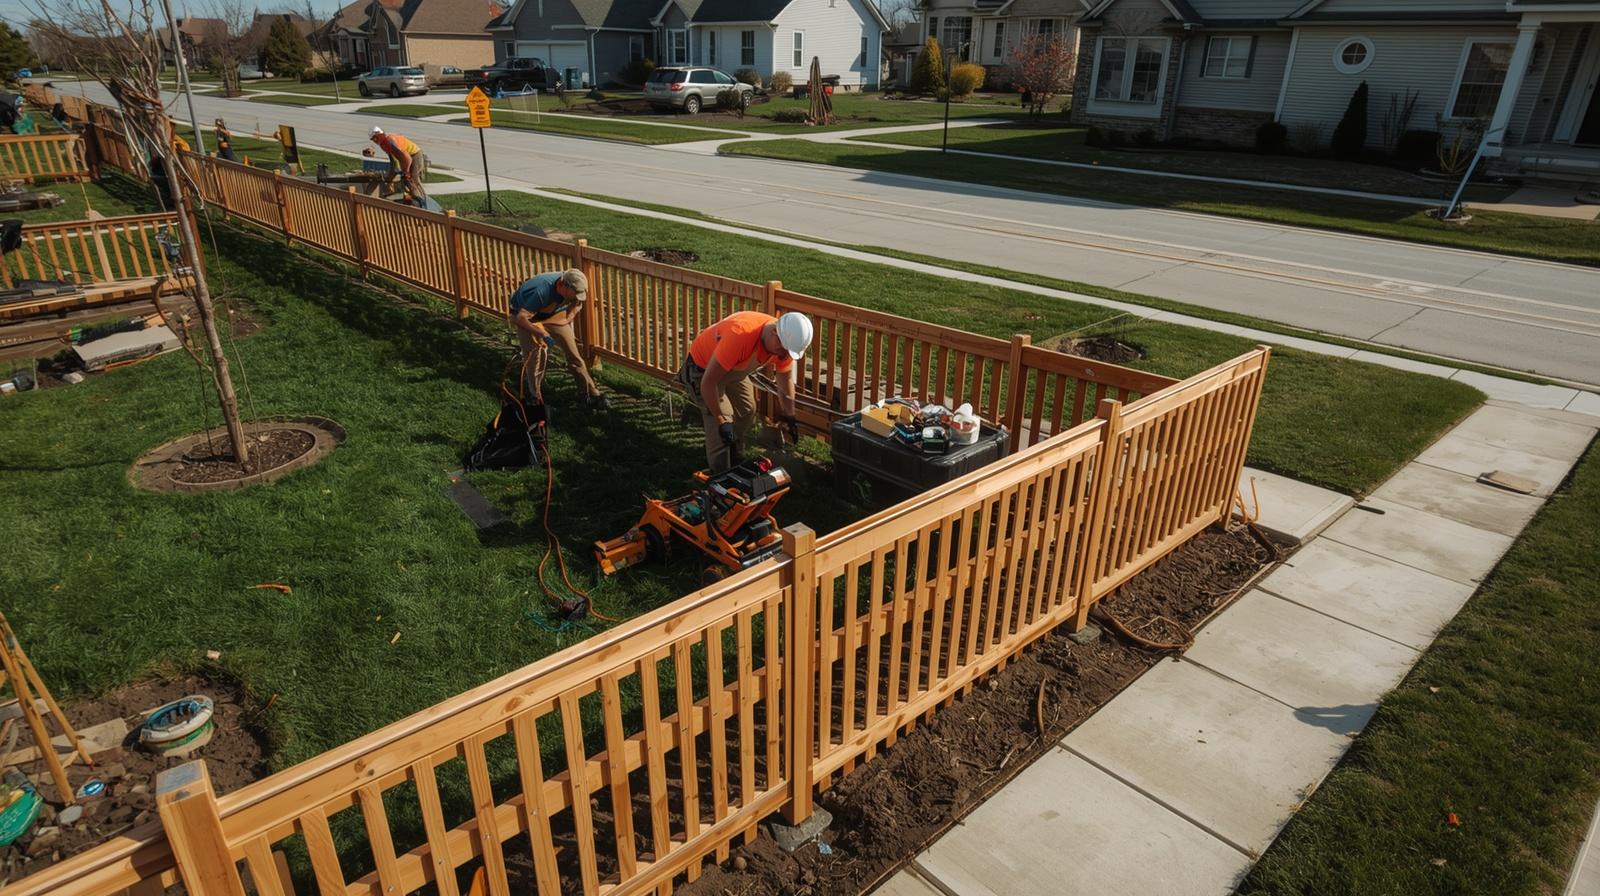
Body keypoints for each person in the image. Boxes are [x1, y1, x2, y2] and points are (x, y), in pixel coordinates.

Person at [675, 311, 813, 473]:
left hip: (733, 368)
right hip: (703, 371)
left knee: (747, 410)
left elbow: (785, 381)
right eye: (783, 350)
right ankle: (721, 475)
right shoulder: (741, 335)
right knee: (723, 417)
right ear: (774, 332)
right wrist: (721, 421)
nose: (784, 355)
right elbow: (708, 382)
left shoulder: (786, 342)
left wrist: (791, 417)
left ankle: (734, 455)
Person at [508, 269, 609, 411]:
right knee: (535, 358)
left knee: (574, 354)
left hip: (552, 313)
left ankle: (588, 394)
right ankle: (534, 397)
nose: (578, 298)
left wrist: (567, 319)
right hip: (525, 317)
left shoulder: (572, 284)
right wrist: (542, 334)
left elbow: (576, 304)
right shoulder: (542, 291)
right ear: (563, 286)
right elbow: (520, 318)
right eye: (576, 294)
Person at [368, 126, 427, 198]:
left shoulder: (390, 141)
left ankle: (422, 199)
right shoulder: (383, 144)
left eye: (375, 138)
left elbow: (408, 159)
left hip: (415, 154)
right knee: (406, 180)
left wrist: (406, 172)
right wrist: (389, 178)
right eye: (373, 139)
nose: (375, 140)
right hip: (407, 157)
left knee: (413, 178)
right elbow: (394, 162)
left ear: (380, 134)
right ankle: (413, 198)